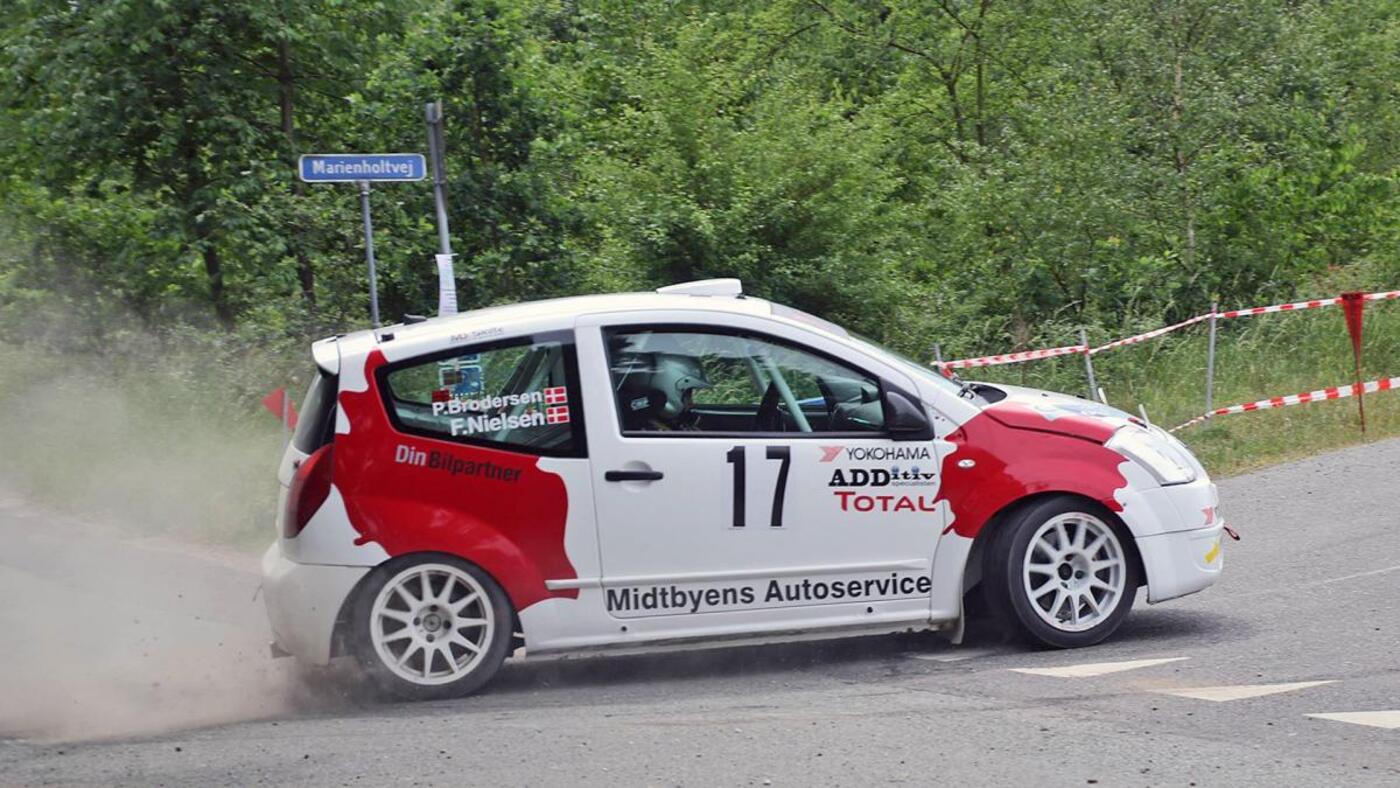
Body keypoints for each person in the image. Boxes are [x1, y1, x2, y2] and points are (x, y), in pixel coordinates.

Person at [611, 350, 710, 431]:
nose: (691, 403)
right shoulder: (647, 429)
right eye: (687, 395)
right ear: (670, 385)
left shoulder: (658, 424)